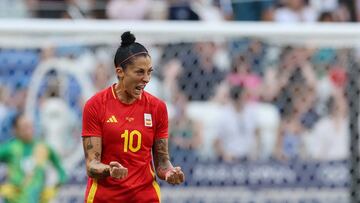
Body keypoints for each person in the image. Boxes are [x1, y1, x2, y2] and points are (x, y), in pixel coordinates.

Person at [82, 31, 185, 202]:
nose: (146, 79)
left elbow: (162, 162)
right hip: (105, 197)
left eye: (149, 72)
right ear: (120, 71)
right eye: (139, 72)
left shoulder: (157, 108)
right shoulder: (96, 105)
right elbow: (92, 165)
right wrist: (109, 170)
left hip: (144, 197)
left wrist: (169, 173)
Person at [0, 112, 67, 203]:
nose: (28, 130)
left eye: (30, 126)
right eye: (24, 127)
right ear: (15, 130)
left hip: (36, 199)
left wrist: (55, 188)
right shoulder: (11, 148)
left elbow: (61, 170)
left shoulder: (43, 147)